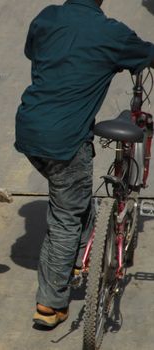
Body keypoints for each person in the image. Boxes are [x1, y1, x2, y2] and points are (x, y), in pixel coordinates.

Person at [15, 0, 154, 328]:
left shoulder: (47, 17)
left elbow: (32, 51)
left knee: (74, 200)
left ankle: (79, 260)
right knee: (65, 218)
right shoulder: (113, 34)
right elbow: (147, 54)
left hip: (29, 128)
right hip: (65, 140)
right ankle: (50, 305)